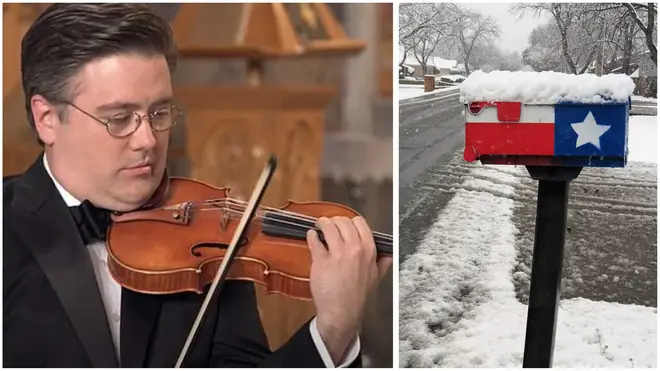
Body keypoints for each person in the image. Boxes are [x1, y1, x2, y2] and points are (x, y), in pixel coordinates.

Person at [3, 3, 392, 368]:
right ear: (47, 118)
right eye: (119, 118)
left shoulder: (212, 240)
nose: (148, 140)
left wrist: (334, 332)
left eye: (159, 112)